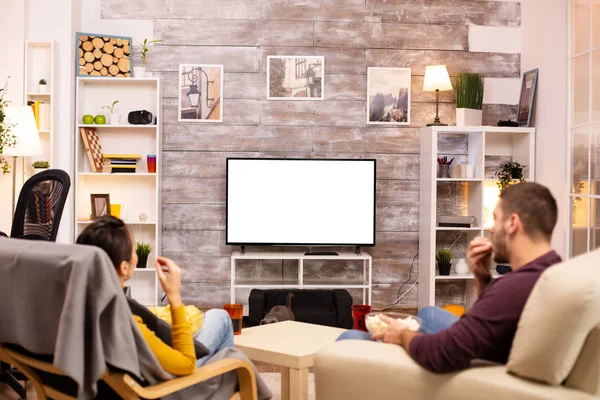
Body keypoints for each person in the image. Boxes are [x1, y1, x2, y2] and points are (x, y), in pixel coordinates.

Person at [338, 182, 561, 373]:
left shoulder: (512, 289)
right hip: (495, 346)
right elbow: (497, 313)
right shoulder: (552, 267)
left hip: (473, 368)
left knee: (349, 340)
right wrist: (482, 277)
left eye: (495, 219)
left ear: (513, 223)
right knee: (429, 314)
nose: (492, 229)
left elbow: (440, 353)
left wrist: (402, 334)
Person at [76, 216, 234, 375]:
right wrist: (173, 294)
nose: (136, 256)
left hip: (114, 382)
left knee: (215, 318)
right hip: (166, 388)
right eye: (134, 249)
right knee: (221, 318)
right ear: (124, 267)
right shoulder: (125, 323)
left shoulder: (75, 305)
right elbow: (186, 364)